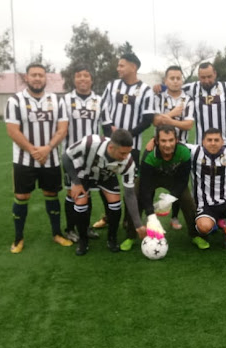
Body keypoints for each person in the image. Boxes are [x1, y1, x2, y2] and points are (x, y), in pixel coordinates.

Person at [4, 63, 71, 253]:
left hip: (51, 158)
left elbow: (63, 128)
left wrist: (48, 148)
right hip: (24, 159)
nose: (37, 78)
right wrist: (34, 151)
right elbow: (12, 130)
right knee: (22, 196)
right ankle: (18, 238)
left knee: (51, 193)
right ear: (27, 77)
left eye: (41, 75)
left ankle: (57, 233)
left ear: (45, 78)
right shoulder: (15, 101)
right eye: (33, 75)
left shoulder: (56, 101)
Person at [92, 53, 155, 235]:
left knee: (131, 186)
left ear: (133, 67)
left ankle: (129, 220)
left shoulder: (145, 90)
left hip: (132, 147)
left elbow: (147, 119)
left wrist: (126, 136)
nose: (118, 68)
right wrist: (108, 135)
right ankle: (108, 216)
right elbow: (103, 109)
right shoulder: (112, 86)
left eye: (122, 65)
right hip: (110, 147)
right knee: (104, 183)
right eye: (118, 66)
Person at [62, 129, 146, 256]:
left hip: (105, 175)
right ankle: (83, 241)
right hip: (83, 172)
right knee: (80, 203)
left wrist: (138, 224)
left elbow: (129, 194)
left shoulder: (128, 162)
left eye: (128, 153)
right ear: (111, 147)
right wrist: (76, 182)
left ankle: (112, 239)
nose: (125, 157)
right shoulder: (90, 142)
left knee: (115, 204)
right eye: (122, 153)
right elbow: (66, 157)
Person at [134, 124, 208, 249]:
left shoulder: (184, 152)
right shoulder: (149, 154)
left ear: (176, 140)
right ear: (157, 141)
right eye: (163, 140)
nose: (167, 145)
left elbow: (183, 180)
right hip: (152, 177)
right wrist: (151, 215)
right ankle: (131, 235)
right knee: (136, 196)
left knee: (187, 200)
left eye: (171, 140)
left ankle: (195, 235)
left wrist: (170, 197)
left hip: (173, 178)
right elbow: (145, 187)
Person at [154, 62, 226, 146]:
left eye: (209, 76)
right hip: (201, 143)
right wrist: (160, 86)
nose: (206, 80)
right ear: (199, 76)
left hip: (224, 143)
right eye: (203, 78)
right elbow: (175, 87)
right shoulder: (192, 88)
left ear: (215, 74)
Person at [60, 66, 104, 242]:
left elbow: (105, 127)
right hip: (71, 156)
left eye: (86, 75)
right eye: (79, 76)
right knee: (73, 192)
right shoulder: (65, 100)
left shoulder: (99, 100)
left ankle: (85, 229)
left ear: (91, 80)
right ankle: (70, 229)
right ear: (74, 80)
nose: (83, 79)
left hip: (92, 156)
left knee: (88, 192)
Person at [189, 128, 226, 249]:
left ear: (223, 142)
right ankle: (213, 224)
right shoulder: (194, 151)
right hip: (204, 203)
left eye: (216, 140)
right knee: (204, 228)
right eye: (209, 140)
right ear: (203, 142)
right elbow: (174, 144)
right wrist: (154, 141)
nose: (213, 143)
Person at [153, 65, 195, 230]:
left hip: (180, 147)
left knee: (179, 183)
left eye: (178, 78)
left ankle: (175, 217)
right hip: (159, 146)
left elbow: (188, 125)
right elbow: (155, 121)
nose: (176, 81)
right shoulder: (158, 97)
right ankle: (151, 215)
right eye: (172, 78)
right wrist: (173, 113)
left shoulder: (188, 100)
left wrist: (167, 119)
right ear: (166, 80)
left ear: (182, 80)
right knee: (149, 182)